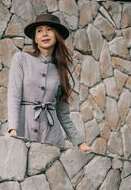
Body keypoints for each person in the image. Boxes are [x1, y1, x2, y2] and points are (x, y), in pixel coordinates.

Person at [7, 13, 92, 152]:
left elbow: (63, 113)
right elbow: (13, 97)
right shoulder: (21, 59)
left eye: (49, 30)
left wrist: (80, 143)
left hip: (51, 137)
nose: (44, 34)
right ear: (35, 38)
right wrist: (13, 129)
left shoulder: (61, 69)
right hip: (23, 129)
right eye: (39, 31)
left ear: (57, 34)